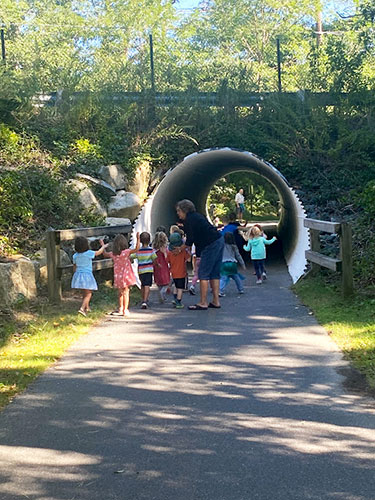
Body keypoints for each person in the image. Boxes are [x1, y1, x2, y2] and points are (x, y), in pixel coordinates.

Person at [176, 199, 224, 310]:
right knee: (214, 272)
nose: (178, 214)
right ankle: (216, 301)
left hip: (210, 244)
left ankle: (203, 302)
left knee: (203, 273)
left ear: (184, 210)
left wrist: (180, 249)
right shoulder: (198, 216)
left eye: (179, 211)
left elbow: (190, 239)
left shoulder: (189, 220)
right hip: (218, 239)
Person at [103, 232, 140, 317]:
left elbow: (105, 254)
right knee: (126, 292)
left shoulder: (114, 254)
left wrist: (103, 246)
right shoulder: (126, 252)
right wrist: (138, 239)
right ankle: (125, 310)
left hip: (117, 276)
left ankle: (120, 308)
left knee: (120, 292)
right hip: (126, 276)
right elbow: (137, 249)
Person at [71, 236, 108, 316]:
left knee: (84, 292)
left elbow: (74, 266)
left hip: (78, 275)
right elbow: (98, 252)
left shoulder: (75, 255)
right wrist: (103, 246)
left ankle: (87, 308)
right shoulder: (89, 253)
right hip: (87, 275)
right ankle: (82, 308)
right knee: (89, 293)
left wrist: (75, 275)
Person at [167, 232, 190, 309]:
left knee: (175, 286)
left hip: (173, 272)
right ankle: (178, 302)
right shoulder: (183, 252)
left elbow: (167, 261)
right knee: (180, 288)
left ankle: (174, 298)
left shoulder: (170, 253)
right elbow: (189, 259)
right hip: (181, 273)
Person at [219, 232, 246, 296]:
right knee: (236, 277)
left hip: (224, 263)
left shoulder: (221, 246)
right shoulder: (234, 246)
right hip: (232, 263)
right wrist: (243, 264)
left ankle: (220, 290)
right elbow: (238, 255)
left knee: (223, 278)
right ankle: (241, 289)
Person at [136, 232, 157, 309]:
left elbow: (132, 256)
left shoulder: (138, 251)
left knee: (142, 284)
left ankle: (143, 299)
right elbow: (155, 259)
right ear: (149, 240)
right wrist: (156, 265)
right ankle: (145, 300)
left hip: (141, 270)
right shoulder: (151, 250)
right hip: (149, 270)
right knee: (147, 285)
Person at [152, 231, 171, 303]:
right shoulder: (165, 249)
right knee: (167, 282)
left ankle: (161, 294)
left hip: (157, 266)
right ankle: (162, 292)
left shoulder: (154, 250)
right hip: (164, 267)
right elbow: (167, 258)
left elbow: (153, 258)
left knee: (159, 282)